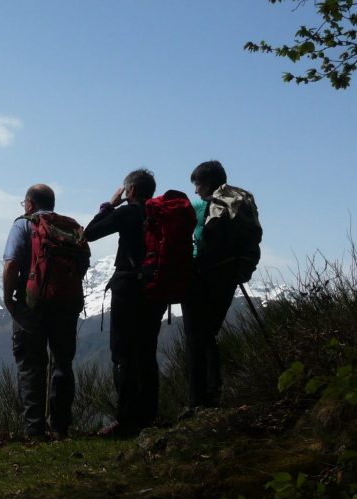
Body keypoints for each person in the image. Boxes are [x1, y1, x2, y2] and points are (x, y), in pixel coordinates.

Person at [83, 169, 166, 437]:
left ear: (129, 191)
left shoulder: (128, 212)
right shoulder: (160, 214)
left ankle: (127, 420)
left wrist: (109, 205)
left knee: (123, 354)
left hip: (128, 288)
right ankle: (149, 416)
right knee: (147, 352)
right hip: (156, 289)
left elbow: (90, 233)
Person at [2, 184, 86, 440]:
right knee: (63, 363)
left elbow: (11, 265)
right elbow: (82, 264)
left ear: (29, 204)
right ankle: (60, 427)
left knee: (31, 366)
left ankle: (34, 431)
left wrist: (9, 300)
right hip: (66, 305)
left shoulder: (23, 225)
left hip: (32, 306)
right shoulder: (69, 227)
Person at [182, 160, 255, 410]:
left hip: (204, 273)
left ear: (209, 183)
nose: (195, 191)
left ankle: (197, 401)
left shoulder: (203, 205)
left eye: (198, 184)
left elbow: (203, 238)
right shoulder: (241, 199)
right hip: (231, 272)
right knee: (209, 335)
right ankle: (215, 395)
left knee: (194, 338)